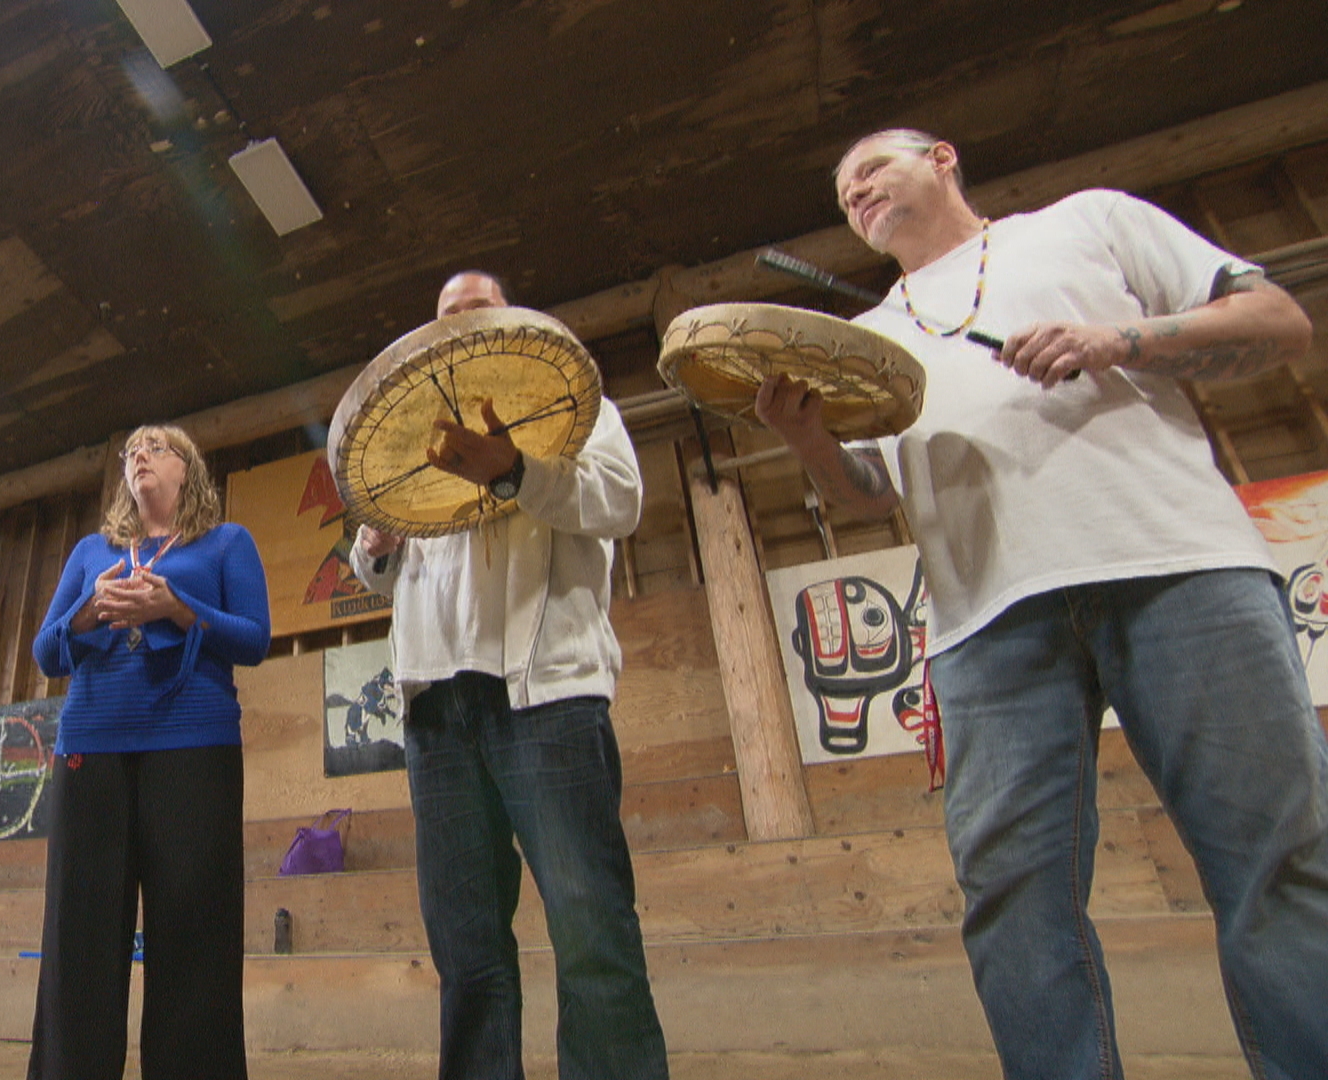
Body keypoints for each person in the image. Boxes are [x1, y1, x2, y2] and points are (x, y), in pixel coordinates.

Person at [757, 129, 1328, 1079]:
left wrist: (1121, 339)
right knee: (1010, 899)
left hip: (1179, 568)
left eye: (873, 168)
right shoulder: (875, 341)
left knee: (1279, 861)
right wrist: (808, 442)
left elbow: (1278, 322)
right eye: (843, 190)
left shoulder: (1085, 223)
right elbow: (874, 495)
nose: (855, 191)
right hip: (985, 624)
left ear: (941, 158)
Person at [349, 271, 669, 1080]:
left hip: (548, 696)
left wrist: (513, 469)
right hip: (436, 711)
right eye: (444, 314)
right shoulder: (411, 438)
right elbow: (387, 574)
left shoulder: (571, 403)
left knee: (590, 930)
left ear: (513, 316)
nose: (459, 321)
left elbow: (621, 499)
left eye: (476, 308)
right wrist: (374, 548)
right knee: (466, 948)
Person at [27, 424, 269, 1080]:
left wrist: (178, 607)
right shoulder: (90, 552)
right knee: (80, 938)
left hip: (194, 747)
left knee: (196, 934)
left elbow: (254, 638)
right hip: (91, 748)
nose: (140, 455)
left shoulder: (226, 543)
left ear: (187, 471)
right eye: (132, 450)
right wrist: (85, 612)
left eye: (158, 447)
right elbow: (47, 651)